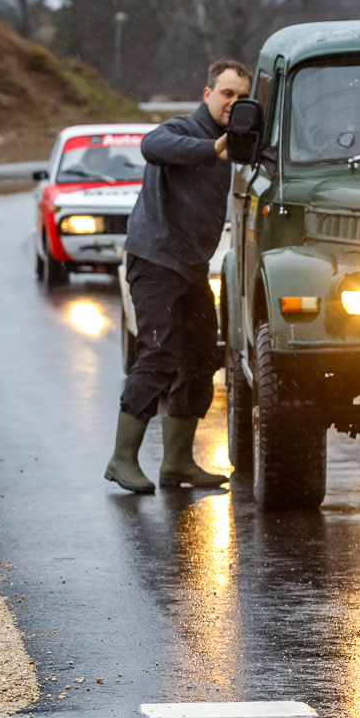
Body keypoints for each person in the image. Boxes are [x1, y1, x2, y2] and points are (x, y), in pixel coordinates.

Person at [104, 59, 252, 493]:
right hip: (156, 261)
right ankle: (121, 459)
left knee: (203, 357)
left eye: (242, 97)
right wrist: (213, 148)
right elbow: (151, 145)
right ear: (207, 94)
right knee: (158, 353)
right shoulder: (182, 129)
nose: (234, 102)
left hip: (190, 268)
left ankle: (178, 462)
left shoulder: (237, 141)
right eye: (227, 93)